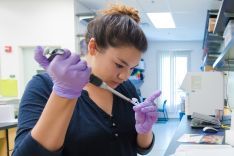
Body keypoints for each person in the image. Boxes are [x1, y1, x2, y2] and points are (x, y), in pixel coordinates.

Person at [12, 4, 161, 156]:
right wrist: (63, 96)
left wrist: (145, 131)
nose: (124, 76)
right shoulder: (43, 86)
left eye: (131, 68)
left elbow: (141, 148)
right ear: (93, 47)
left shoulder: (127, 88)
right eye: (119, 65)